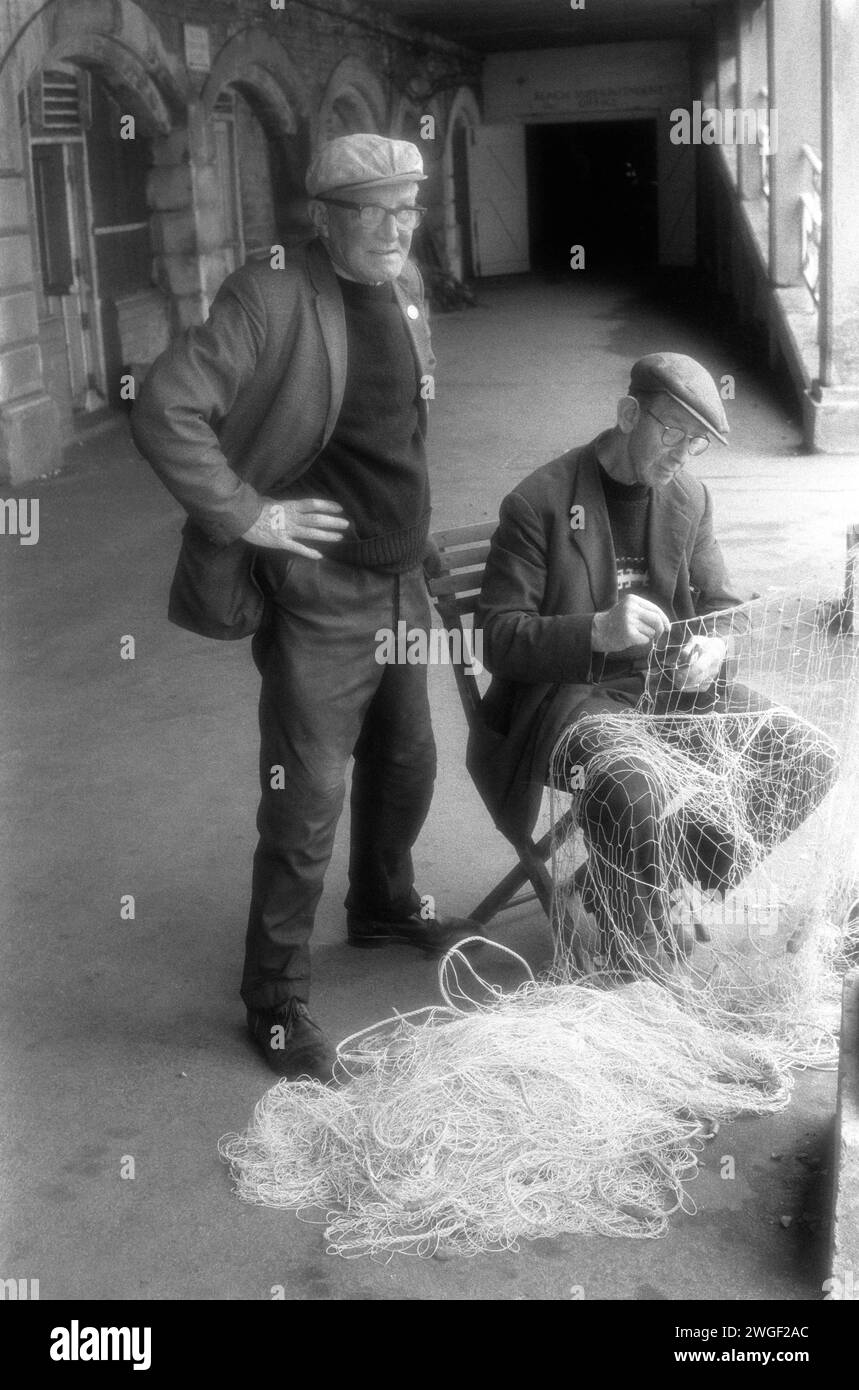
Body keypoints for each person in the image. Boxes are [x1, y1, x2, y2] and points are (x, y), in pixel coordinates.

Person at [131, 134, 474, 1081]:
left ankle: (379, 902)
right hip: (322, 593)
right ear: (323, 219)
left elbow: (395, 429)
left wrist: (415, 533)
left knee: (407, 762)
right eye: (373, 212)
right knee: (306, 798)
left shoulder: (405, 289)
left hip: (399, 573)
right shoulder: (268, 293)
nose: (396, 228)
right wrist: (251, 514)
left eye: (407, 209)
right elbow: (165, 406)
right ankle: (275, 1000)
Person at [468, 353, 838, 968]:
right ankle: (634, 945)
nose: (680, 455)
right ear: (628, 413)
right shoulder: (540, 502)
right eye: (671, 432)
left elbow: (726, 608)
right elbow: (498, 638)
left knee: (805, 756)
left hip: (670, 692)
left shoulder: (688, 498)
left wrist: (718, 646)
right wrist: (595, 631)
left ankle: (655, 877)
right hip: (569, 700)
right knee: (632, 783)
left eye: (697, 444)